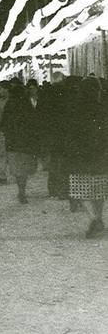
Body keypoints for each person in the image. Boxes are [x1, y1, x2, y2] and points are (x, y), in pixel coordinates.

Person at [67, 78, 108, 238]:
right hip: (99, 154)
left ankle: (93, 218)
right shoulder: (103, 108)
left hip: (80, 155)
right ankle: (98, 219)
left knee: (81, 190)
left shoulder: (74, 109)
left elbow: (69, 134)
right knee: (99, 189)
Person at [2, 84, 41, 204]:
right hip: (26, 143)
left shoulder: (9, 105)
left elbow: (4, 123)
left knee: (17, 169)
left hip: (12, 143)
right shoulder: (26, 105)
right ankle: (22, 191)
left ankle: (20, 190)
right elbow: (34, 123)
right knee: (24, 169)